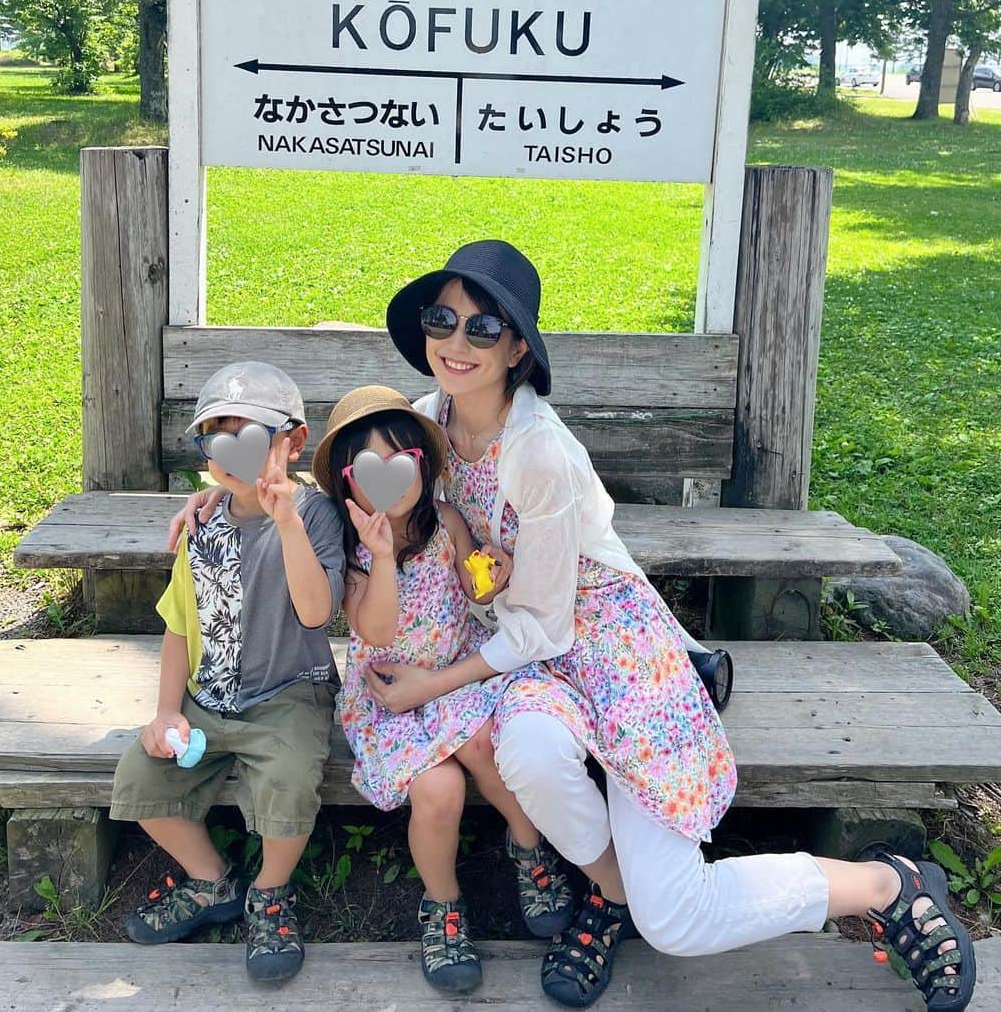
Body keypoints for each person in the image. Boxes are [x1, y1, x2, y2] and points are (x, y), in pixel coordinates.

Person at [366, 239, 977, 1011]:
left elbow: (545, 626)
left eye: (482, 328)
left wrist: (435, 680)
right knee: (528, 751)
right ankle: (613, 892)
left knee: (680, 921)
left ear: (517, 346)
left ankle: (886, 884)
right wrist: (238, 503)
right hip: (525, 655)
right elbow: (355, 483)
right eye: (441, 319)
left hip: (601, 642)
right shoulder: (425, 425)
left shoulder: (541, 454)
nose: (456, 343)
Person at [312, 384, 574, 993]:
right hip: (389, 694)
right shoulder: (349, 546)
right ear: (348, 481)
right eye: (370, 469)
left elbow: (474, 587)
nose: (388, 482)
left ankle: (528, 848)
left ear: (423, 466)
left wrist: (492, 573)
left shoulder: (447, 521)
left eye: (401, 464)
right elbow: (374, 628)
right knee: (439, 789)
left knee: (484, 744)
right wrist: (379, 557)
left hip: (452, 674)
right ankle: (443, 906)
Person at [111, 361, 345, 984]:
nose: (232, 452)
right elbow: (178, 626)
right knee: (138, 777)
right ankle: (212, 882)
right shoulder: (201, 523)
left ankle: (271, 893)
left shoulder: (316, 516)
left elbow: (317, 611)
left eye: (252, 436)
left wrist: (287, 521)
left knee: (290, 783)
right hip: (207, 697)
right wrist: (166, 712)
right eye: (218, 437)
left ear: (293, 443)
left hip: (288, 694)